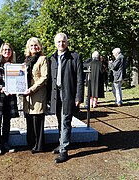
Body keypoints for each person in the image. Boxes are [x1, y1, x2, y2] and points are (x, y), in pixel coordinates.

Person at [48, 33, 84, 163]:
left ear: (67, 42)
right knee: (59, 120)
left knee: (65, 121)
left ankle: (64, 150)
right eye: (58, 42)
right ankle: (61, 144)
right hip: (55, 94)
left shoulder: (74, 57)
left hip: (68, 93)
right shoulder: (52, 58)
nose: (61, 44)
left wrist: (78, 96)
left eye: (63, 41)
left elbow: (80, 78)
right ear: (55, 43)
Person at [0, 43, 19, 156]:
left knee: (7, 121)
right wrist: (0, 88)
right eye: (5, 50)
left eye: (9, 49)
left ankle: (6, 143)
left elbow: (18, 81)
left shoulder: (14, 65)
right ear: (1, 51)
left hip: (9, 97)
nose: (7, 51)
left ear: (12, 52)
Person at [23, 37, 48, 154]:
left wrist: (31, 89)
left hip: (37, 94)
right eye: (31, 46)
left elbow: (44, 77)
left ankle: (39, 145)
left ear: (39, 47)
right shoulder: (26, 60)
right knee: (29, 119)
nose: (34, 48)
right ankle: (31, 143)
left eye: (36, 45)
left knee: (37, 120)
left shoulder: (43, 59)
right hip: (27, 95)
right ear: (28, 47)